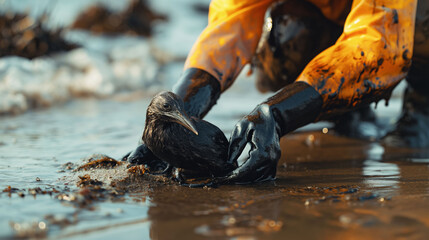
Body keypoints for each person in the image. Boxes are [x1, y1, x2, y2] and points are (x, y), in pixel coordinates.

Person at [129, 0, 429, 184]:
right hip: (336, 18)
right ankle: (345, 108)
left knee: (422, 19)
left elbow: (378, 45)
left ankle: (422, 108)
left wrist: (280, 111)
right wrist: (180, 107)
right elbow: (230, 27)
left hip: (401, 19)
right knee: (285, 27)